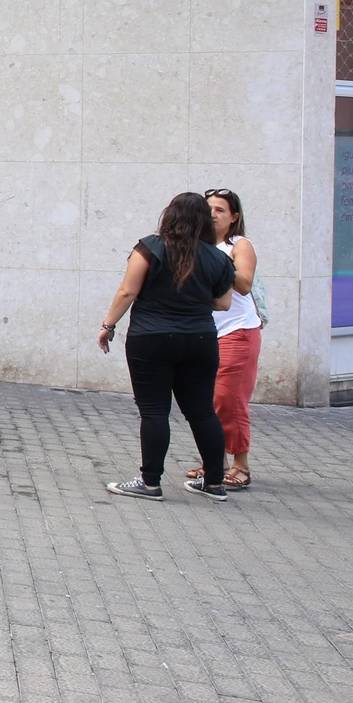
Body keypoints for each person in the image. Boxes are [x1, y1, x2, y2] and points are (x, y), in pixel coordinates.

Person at [97, 192, 238, 502]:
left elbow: (127, 292)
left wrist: (108, 326)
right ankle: (215, 483)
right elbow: (223, 302)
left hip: (151, 339)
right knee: (202, 412)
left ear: (170, 216)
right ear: (204, 220)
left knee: (154, 411)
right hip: (200, 339)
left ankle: (150, 483)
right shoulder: (219, 259)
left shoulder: (150, 248)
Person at [199, 189, 261, 490]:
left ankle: (241, 465)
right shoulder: (199, 246)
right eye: (208, 208)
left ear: (234, 217)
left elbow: (245, 284)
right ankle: (214, 462)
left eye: (220, 210)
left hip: (238, 332)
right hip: (206, 333)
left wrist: (217, 260)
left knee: (229, 399)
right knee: (207, 400)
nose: (213, 214)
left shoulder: (239, 245)